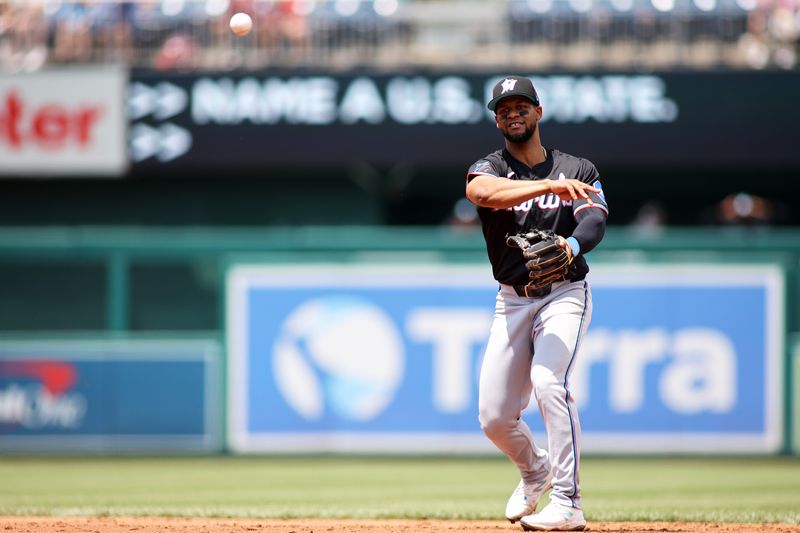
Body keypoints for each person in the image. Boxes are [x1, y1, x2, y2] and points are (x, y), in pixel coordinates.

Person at [465, 76, 608, 532]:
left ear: (538, 111)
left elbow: (595, 221)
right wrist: (547, 186)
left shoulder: (578, 168)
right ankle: (535, 471)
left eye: (521, 105)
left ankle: (568, 502)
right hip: (512, 299)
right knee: (493, 418)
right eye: (503, 108)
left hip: (565, 292)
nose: (513, 113)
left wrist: (572, 247)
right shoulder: (487, 167)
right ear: (496, 119)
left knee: (549, 382)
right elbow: (481, 194)